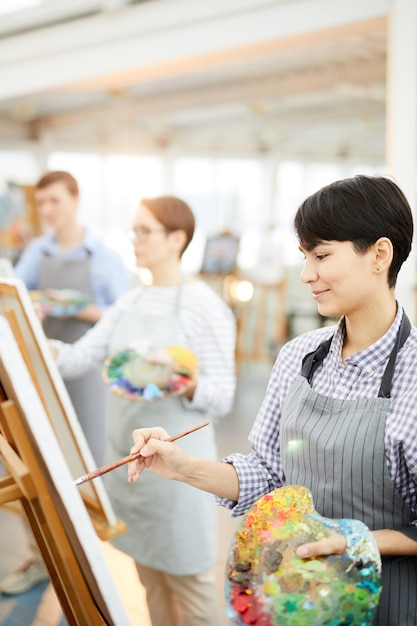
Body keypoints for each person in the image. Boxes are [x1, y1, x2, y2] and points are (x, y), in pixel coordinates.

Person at [127, 175, 417, 626]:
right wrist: (182, 466)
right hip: (295, 600)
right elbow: (268, 475)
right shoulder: (298, 357)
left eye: (321, 256)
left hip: (387, 605)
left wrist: (354, 540)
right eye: (305, 257)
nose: (306, 275)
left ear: (380, 254)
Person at [52, 195, 237, 626]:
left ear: (177, 239)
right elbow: (80, 357)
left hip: (177, 476)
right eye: (133, 230)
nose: (134, 239)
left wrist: (184, 382)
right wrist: (23, 341)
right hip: (131, 467)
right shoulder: (130, 301)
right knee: (150, 581)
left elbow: (223, 395)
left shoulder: (204, 306)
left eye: (144, 230)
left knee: (192, 588)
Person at [0, 170, 130, 597]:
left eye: (54, 201)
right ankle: (44, 560)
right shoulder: (37, 251)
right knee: (42, 458)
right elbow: (17, 296)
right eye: (42, 203)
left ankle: (88, 564)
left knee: (86, 462)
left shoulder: (105, 256)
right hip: (42, 367)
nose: (48, 210)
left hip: (87, 372)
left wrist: (82, 307)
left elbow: (120, 316)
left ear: (75, 199)